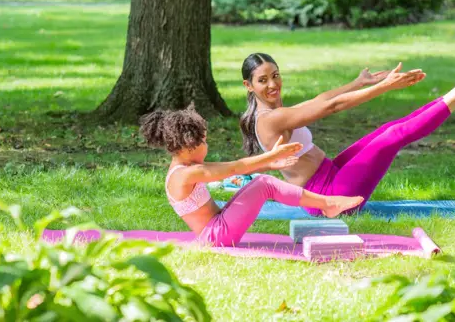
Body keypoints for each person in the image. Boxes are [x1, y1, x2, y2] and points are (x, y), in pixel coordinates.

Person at [240, 53, 455, 216]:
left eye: (275, 76)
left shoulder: (276, 111)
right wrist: (385, 86)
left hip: (330, 175)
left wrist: (359, 82)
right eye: (263, 80)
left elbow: (321, 99)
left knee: (387, 130)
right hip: (328, 197)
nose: (272, 85)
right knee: (394, 135)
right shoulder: (270, 120)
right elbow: (332, 107)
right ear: (249, 86)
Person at [139, 104, 364, 246]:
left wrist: (271, 164)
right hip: (217, 235)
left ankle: (326, 204)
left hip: (219, 225)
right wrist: (271, 155)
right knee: (264, 184)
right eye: (204, 141)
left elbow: (233, 167)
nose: (207, 145)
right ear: (189, 146)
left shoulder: (184, 169)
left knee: (262, 181)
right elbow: (235, 168)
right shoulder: (186, 175)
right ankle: (328, 203)